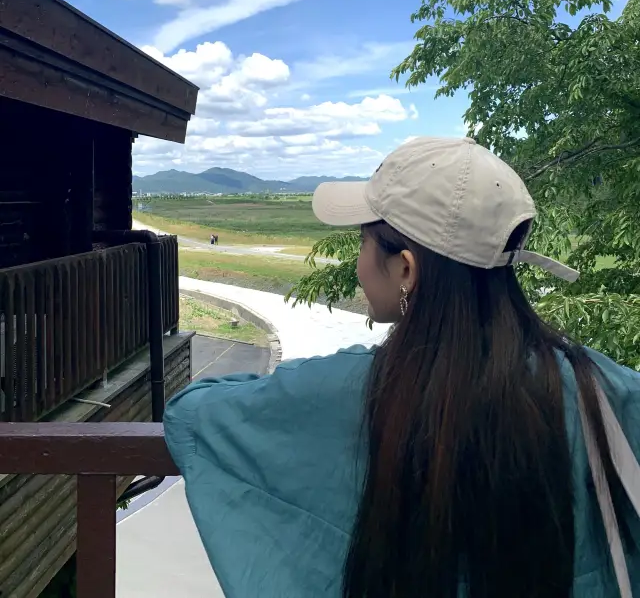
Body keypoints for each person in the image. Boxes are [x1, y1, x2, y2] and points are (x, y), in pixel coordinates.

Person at [164, 136, 640, 598]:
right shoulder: (604, 392)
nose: (358, 266)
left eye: (364, 243)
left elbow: (190, 416)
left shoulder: (346, 389)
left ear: (406, 269)